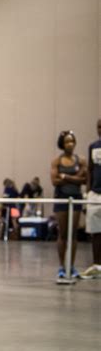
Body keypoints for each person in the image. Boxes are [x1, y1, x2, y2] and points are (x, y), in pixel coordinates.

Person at [50, 130, 87, 280]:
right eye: (67, 141)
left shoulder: (81, 160)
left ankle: (71, 266)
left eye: (72, 141)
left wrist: (65, 176)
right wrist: (74, 178)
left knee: (73, 234)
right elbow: (54, 181)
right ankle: (61, 267)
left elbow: (84, 180)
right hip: (61, 198)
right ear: (62, 144)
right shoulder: (56, 161)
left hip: (76, 198)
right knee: (63, 234)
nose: (70, 144)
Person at [80, 119, 101, 280]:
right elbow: (90, 171)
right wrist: (87, 194)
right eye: (98, 127)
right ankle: (97, 266)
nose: (100, 129)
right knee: (95, 231)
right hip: (95, 193)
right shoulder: (93, 146)